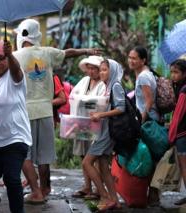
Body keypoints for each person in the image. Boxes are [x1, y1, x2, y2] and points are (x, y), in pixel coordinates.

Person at [12, 18, 101, 203]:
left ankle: (35, 190)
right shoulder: (48, 53)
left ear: (22, 35)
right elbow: (68, 53)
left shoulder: (16, 57)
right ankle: (45, 189)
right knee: (44, 156)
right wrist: (86, 51)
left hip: (24, 112)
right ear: (37, 34)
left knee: (23, 155)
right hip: (45, 111)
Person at [0, 41, 32, 213]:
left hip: (15, 138)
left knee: (12, 179)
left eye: (2, 59)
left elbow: (16, 71)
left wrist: (11, 55)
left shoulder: (15, 77)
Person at [83, 59, 123, 211]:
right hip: (103, 130)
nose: (101, 73)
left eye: (105, 70)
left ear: (112, 71)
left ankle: (104, 195)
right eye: (101, 70)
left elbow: (121, 108)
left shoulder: (116, 86)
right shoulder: (107, 87)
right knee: (104, 167)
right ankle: (115, 201)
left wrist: (101, 114)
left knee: (86, 163)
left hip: (107, 133)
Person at [128, 46, 160, 205]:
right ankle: (151, 195)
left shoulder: (143, 77)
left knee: (150, 158)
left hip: (148, 121)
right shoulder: (144, 74)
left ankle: (153, 195)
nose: (131, 61)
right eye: (130, 57)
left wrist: (141, 121)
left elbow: (149, 101)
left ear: (143, 60)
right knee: (150, 157)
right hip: (149, 119)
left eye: (134, 58)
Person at [70, 55, 105, 199]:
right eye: (89, 68)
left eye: (94, 68)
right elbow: (73, 96)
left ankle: (98, 189)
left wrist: (84, 101)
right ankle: (87, 186)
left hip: (97, 125)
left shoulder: (103, 84)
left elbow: (102, 103)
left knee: (94, 157)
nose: (91, 71)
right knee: (83, 154)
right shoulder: (84, 81)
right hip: (82, 123)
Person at [168, 59, 186, 205]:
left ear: (184, 74)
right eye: (171, 72)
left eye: (176, 72)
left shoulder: (183, 91)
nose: (173, 75)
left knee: (184, 166)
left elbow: (178, 116)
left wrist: (171, 136)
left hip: (182, 135)